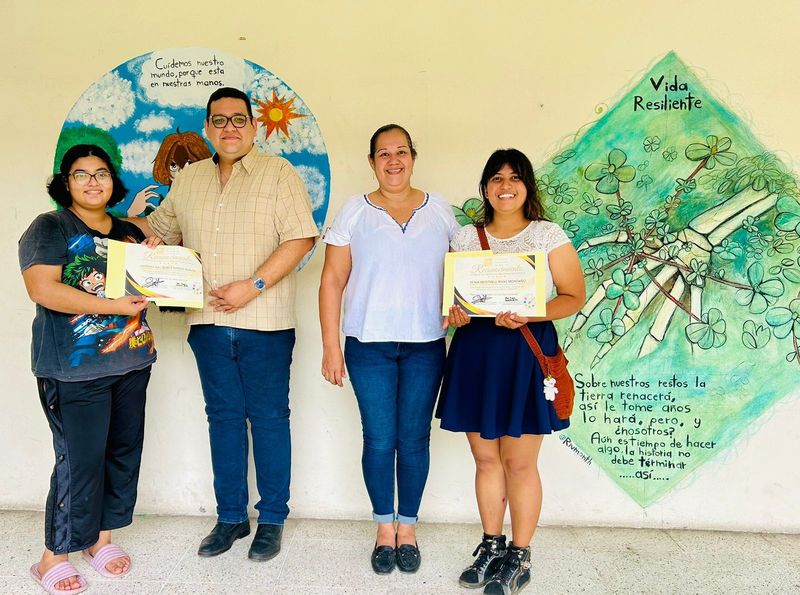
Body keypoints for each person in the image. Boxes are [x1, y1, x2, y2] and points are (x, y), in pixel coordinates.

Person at [129, 87, 318, 562]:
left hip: (265, 321)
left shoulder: (279, 173)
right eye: (219, 120)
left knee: (270, 420)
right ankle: (231, 517)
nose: (229, 127)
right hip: (207, 323)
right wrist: (141, 238)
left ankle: (272, 518)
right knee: (224, 421)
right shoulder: (190, 178)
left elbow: (300, 238)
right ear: (208, 128)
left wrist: (251, 286)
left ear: (253, 126)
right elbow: (162, 233)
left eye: (238, 119)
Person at [436, 149, 586, 595]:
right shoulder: (465, 238)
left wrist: (529, 312)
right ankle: (491, 544)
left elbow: (573, 296)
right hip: (476, 353)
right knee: (485, 459)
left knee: (519, 462)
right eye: (497, 177)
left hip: (525, 352)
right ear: (485, 187)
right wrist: (455, 313)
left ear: (527, 186)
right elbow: (452, 302)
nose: (506, 185)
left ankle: (519, 555)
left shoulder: (546, 235)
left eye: (515, 177)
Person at [319, 124, 459, 574]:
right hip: (368, 345)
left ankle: (409, 528)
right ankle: (384, 529)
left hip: (425, 345)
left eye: (401, 152)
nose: (393, 160)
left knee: (414, 440)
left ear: (414, 157)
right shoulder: (354, 212)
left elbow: (465, 271)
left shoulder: (440, 210)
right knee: (380, 440)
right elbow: (332, 280)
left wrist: (460, 303)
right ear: (371, 161)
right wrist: (331, 346)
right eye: (384, 153)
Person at [19, 144, 156, 594]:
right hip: (72, 370)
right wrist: (111, 305)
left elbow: (159, 289)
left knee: (121, 454)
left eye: (101, 173)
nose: (93, 181)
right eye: (81, 174)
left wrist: (159, 262)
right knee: (79, 462)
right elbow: (43, 289)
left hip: (132, 359)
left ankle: (101, 540)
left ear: (114, 182)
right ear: (66, 183)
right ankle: (53, 556)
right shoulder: (50, 226)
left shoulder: (130, 233)